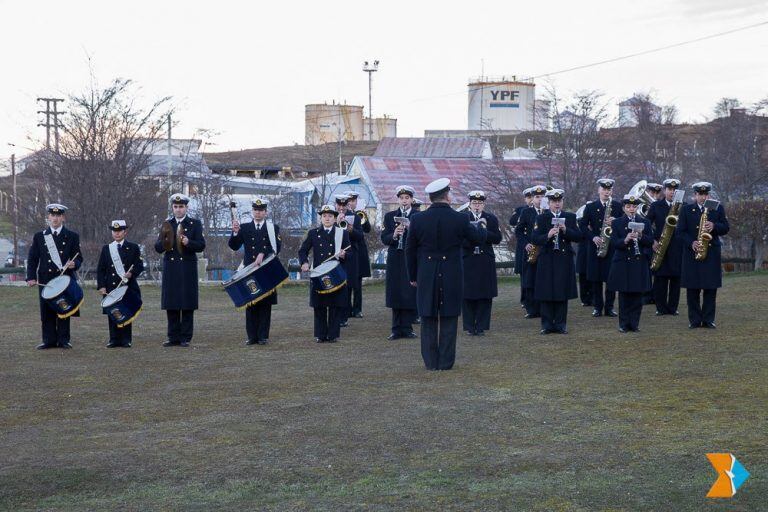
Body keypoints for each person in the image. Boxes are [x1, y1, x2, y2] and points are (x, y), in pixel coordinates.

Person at [405, 178, 486, 371]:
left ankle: (431, 363)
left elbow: (410, 249)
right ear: (447, 196)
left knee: (428, 317)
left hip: (426, 272)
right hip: (452, 273)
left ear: (431, 198)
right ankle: (446, 362)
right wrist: (481, 227)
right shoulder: (460, 218)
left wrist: (413, 276)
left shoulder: (417, 219)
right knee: (449, 317)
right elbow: (476, 240)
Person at [26, 203, 83, 349]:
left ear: (63, 217)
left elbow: (79, 258)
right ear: (48, 217)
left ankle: (64, 340)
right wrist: (31, 277)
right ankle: (48, 340)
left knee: (64, 308)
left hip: (64, 279)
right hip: (46, 279)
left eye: (58, 215)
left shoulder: (72, 236)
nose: (55, 218)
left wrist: (74, 264)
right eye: (52, 215)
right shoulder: (39, 237)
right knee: (46, 311)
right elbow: (33, 259)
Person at [154, 193, 206, 347]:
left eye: (181, 207)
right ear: (172, 208)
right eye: (175, 207)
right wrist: (164, 242)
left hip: (187, 268)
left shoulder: (194, 224)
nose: (178, 210)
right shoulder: (167, 224)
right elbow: (157, 248)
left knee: (187, 303)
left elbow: (201, 245)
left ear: (186, 207)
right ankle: (173, 337)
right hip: (171, 268)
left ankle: (185, 337)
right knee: (172, 303)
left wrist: (189, 242)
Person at [228, 197, 282, 345]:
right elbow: (233, 246)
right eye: (255, 210)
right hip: (249, 269)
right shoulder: (244, 228)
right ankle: (252, 336)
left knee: (265, 304)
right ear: (252, 211)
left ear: (265, 212)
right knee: (250, 303)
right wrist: (234, 232)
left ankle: (263, 336)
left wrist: (263, 253)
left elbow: (277, 248)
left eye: (261, 211)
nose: (258, 213)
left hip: (265, 269)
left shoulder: (272, 228)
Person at [676, 182, 729, 328]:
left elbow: (726, 227)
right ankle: (694, 320)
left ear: (709, 195)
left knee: (710, 288)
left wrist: (714, 226)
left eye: (705, 194)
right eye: (700, 194)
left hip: (711, 253)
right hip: (692, 254)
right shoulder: (686, 210)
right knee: (692, 289)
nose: (703, 197)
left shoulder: (717, 207)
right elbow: (679, 232)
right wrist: (691, 243)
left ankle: (708, 319)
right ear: (695, 195)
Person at [530, 189, 581, 334]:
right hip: (547, 259)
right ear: (549, 203)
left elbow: (579, 236)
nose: (557, 204)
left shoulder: (570, 217)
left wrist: (566, 230)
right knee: (546, 292)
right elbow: (534, 238)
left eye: (559, 201)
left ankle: (560, 324)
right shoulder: (542, 218)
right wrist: (548, 234)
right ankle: (546, 325)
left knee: (561, 292)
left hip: (563, 259)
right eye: (554, 202)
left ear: (562, 202)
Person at [299, 205, 351, 343]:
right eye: (324, 216)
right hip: (318, 273)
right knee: (319, 305)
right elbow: (303, 250)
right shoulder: (313, 233)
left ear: (335, 219)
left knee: (335, 305)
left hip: (335, 274)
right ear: (321, 218)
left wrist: (344, 254)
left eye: (330, 216)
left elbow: (350, 253)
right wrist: (304, 262)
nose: (327, 218)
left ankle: (333, 335)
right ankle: (320, 334)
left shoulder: (342, 233)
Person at [607, 195, 653, 333]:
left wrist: (640, 236)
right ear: (624, 208)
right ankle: (623, 324)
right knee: (624, 296)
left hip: (639, 262)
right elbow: (614, 243)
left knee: (637, 296)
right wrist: (625, 240)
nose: (631, 209)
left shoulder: (644, 222)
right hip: (623, 263)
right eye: (628, 207)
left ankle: (634, 324)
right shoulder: (617, 223)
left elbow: (650, 241)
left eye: (634, 206)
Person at [97, 220, 144, 347]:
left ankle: (126, 339)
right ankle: (113, 339)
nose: (116, 234)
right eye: (114, 231)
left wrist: (131, 273)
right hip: (111, 287)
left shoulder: (133, 247)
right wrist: (101, 286)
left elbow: (139, 266)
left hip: (127, 287)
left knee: (126, 311)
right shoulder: (107, 249)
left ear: (125, 232)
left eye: (119, 231)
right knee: (113, 312)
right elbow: (101, 269)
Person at [580, 178, 623, 318]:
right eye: (604, 189)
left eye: (609, 189)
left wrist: (616, 221)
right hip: (596, 246)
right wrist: (593, 237)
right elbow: (582, 226)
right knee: (596, 279)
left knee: (610, 278)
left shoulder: (618, 206)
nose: (606, 192)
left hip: (611, 248)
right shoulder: (591, 207)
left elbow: (626, 224)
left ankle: (609, 308)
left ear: (612, 191)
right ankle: (597, 307)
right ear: (599, 190)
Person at [462, 190, 502, 336]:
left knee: (485, 294)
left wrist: (483, 230)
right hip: (468, 258)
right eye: (474, 203)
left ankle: (481, 326)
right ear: (470, 204)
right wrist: (474, 235)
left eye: (479, 203)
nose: (477, 206)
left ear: (484, 204)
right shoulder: (463, 217)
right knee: (467, 293)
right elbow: (460, 238)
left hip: (485, 259)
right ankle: (469, 326)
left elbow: (497, 238)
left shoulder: (490, 218)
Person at [381, 185, 418, 340]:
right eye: (402, 198)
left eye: (407, 198)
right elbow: (384, 238)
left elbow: (422, 237)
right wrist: (394, 235)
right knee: (395, 292)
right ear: (398, 200)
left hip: (410, 258)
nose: (404, 201)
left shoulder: (417, 216)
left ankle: (407, 328)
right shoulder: (390, 216)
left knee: (409, 292)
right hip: (395, 258)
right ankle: (396, 328)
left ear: (412, 199)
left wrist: (410, 229)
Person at [646, 178, 683, 316]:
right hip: (660, 246)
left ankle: (673, 308)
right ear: (665, 190)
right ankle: (660, 308)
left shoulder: (683, 206)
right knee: (660, 279)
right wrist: (652, 241)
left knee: (675, 279)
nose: (672, 192)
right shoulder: (656, 206)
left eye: (675, 190)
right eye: (669, 189)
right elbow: (647, 224)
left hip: (677, 247)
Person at [516, 185, 546, 319]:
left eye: (542, 197)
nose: (540, 199)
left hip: (545, 250)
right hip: (531, 250)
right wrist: (525, 244)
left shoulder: (548, 212)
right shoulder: (526, 212)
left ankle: (544, 307)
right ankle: (531, 309)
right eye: (537, 197)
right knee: (529, 280)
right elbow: (519, 231)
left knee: (543, 279)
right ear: (532, 199)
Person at [334, 194, 362, 328]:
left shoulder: (355, 217)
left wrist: (351, 229)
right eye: (339, 205)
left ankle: (344, 317)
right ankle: (336, 315)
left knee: (347, 287)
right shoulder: (329, 216)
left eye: (343, 205)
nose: (341, 208)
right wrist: (335, 222)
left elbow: (360, 236)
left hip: (350, 256)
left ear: (347, 206)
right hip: (334, 256)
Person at [345, 190, 371, 319]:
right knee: (348, 281)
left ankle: (357, 309)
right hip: (347, 250)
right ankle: (347, 308)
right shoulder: (342, 215)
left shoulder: (359, 214)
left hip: (359, 251)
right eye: (349, 201)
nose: (351, 203)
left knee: (358, 283)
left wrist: (364, 218)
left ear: (356, 202)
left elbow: (367, 230)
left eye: (353, 201)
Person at [510, 188, 533, 307]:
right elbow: (512, 221)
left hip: (535, 245)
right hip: (523, 246)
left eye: (532, 197)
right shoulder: (520, 210)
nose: (530, 200)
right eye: (528, 198)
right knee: (524, 274)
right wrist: (522, 214)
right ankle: (524, 299)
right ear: (525, 199)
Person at [575, 202, 593, 307]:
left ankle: (593, 297)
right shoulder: (581, 215)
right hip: (583, 251)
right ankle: (585, 299)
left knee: (592, 277)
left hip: (593, 251)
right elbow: (579, 235)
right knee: (583, 276)